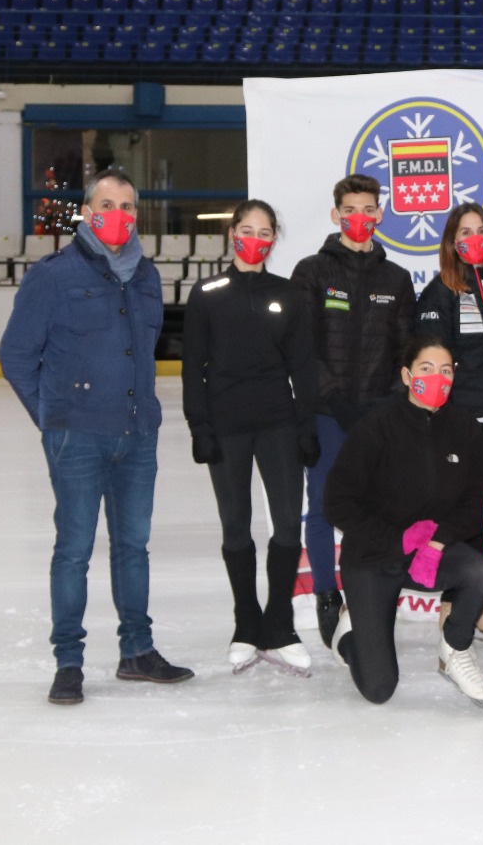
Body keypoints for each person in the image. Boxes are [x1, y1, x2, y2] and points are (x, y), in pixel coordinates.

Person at [0, 169, 194, 704]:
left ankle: (137, 651)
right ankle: (68, 661)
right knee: (75, 550)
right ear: (88, 211)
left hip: (137, 433)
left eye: (128, 206)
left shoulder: (147, 275)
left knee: (133, 548)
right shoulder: (53, 276)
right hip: (77, 436)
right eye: (108, 203)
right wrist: (52, 415)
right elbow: (15, 355)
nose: (119, 213)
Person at [182, 199, 321, 675]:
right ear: (232, 234)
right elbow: (192, 368)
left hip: (278, 424)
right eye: (247, 229)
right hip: (226, 427)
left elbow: (303, 366)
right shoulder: (207, 293)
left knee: (287, 524)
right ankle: (247, 623)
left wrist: (307, 425)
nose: (255, 238)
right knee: (235, 525)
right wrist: (199, 426)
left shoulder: (288, 294)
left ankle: (279, 623)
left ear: (274, 239)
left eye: (265, 231)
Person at [323, 338, 483, 706]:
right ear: (406, 375)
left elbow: (479, 501)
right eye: (426, 369)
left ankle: (455, 649)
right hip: (373, 556)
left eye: (445, 371)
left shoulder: (465, 428)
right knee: (378, 688)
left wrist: (439, 541)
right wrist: (397, 540)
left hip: (432, 553)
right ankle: (351, 631)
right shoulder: (375, 427)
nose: (437, 377)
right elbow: (337, 503)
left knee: (479, 572)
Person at [290, 173, 416, 648]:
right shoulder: (312, 272)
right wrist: (336, 401)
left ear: (380, 214)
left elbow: (407, 350)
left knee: (381, 510)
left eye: (369, 210)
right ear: (335, 214)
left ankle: (376, 591)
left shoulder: (397, 278)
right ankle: (326, 592)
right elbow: (302, 347)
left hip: (379, 416)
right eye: (351, 210)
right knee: (323, 507)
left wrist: (387, 404)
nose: (360, 218)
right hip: (327, 414)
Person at [417, 202, 483, 466]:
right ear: (452, 240)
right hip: (458, 416)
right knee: (461, 499)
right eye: (465, 232)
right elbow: (430, 357)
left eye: (481, 230)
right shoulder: (440, 291)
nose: (475, 238)